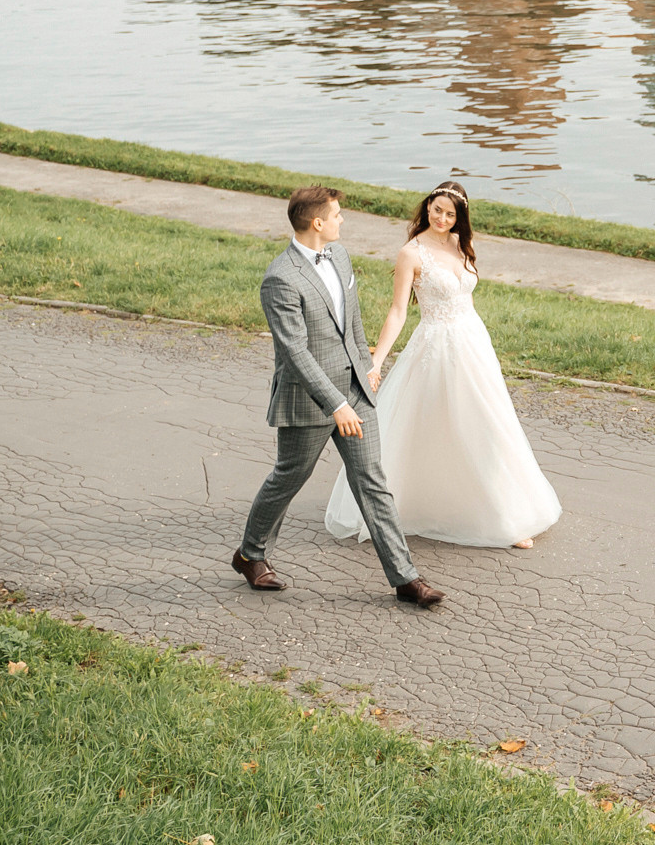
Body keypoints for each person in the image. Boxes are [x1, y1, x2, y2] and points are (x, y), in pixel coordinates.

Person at [234, 187, 444, 606]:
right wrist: (336, 404)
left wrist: (368, 371)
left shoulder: (341, 256)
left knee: (372, 481)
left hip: (355, 389)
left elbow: (352, 321)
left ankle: (405, 579)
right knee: (288, 477)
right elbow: (294, 352)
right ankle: (250, 554)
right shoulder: (280, 278)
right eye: (337, 215)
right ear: (317, 223)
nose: (342, 220)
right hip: (310, 400)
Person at [326, 182, 562, 549]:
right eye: (437, 210)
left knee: (488, 423)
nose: (442, 218)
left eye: (450, 214)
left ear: (459, 218)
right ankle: (403, 506)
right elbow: (399, 310)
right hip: (435, 347)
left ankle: (504, 515)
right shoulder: (411, 253)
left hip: (473, 344)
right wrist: (376, 361)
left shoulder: (460, 244)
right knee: (438, 425)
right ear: (427, 207)